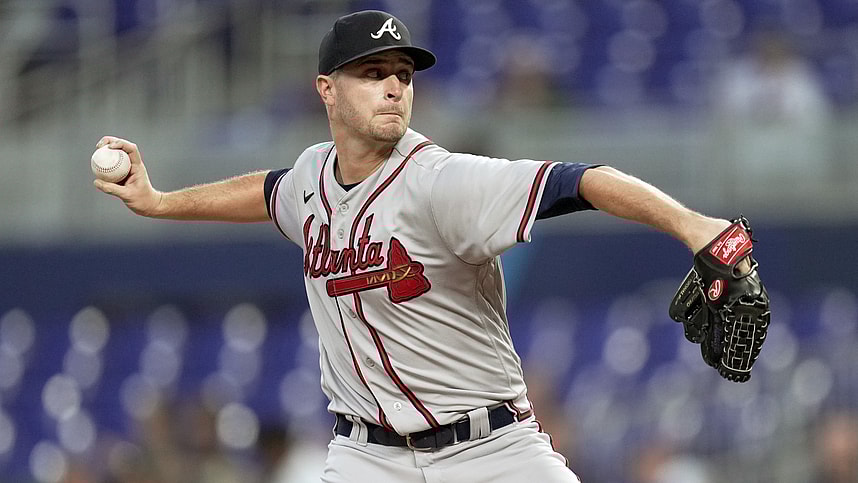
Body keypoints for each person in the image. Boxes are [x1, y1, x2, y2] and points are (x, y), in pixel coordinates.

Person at [93, 10, 742, 483]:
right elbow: (269, 193)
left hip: (490, 452)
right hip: (365, 458)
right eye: (373, 72)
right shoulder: (315, 177)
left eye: (402, 73)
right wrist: (161, 201)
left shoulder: (443, 180)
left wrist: (693, 226)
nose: (395, 86)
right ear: (327, 89)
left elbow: (581, 181)